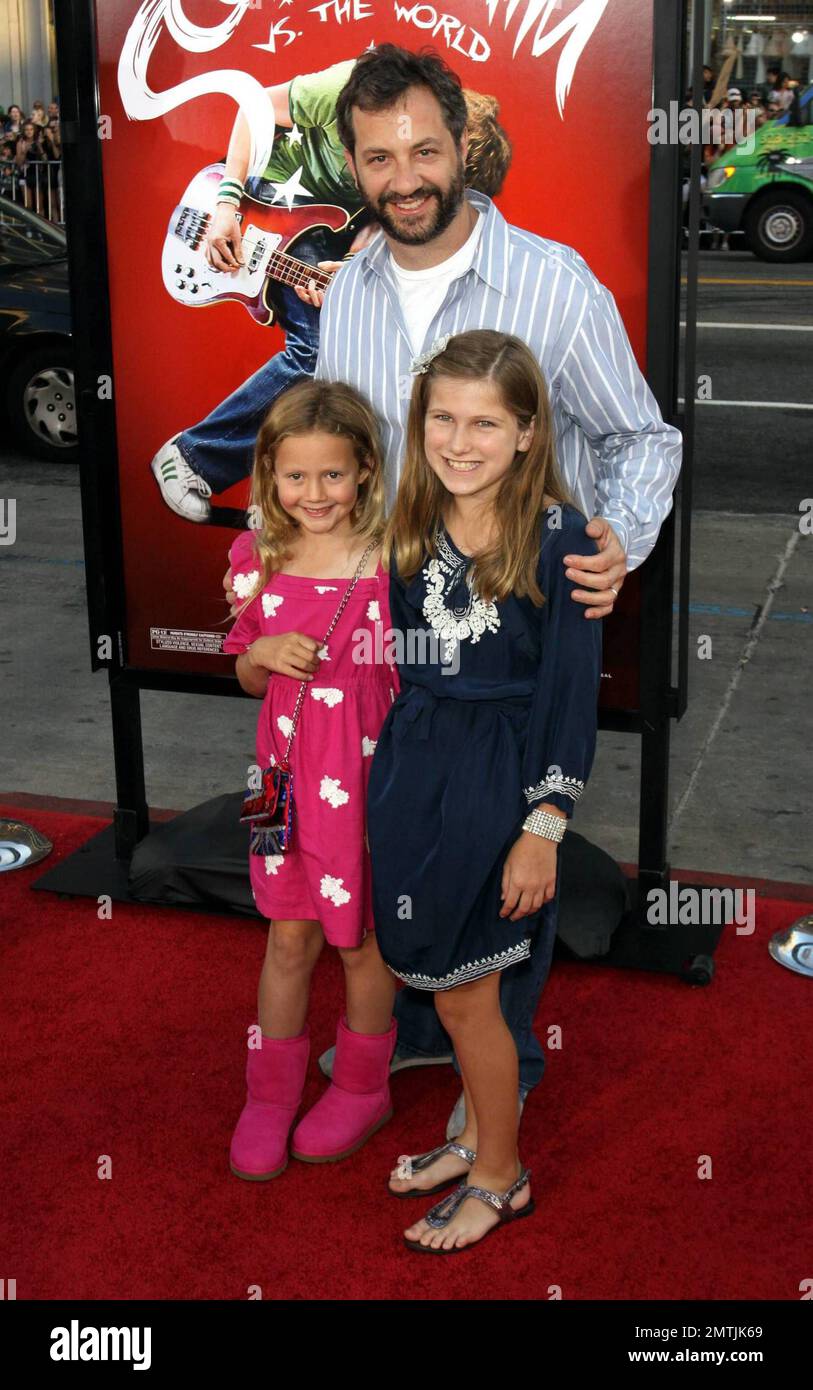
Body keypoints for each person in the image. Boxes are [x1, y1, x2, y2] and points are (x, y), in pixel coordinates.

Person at [250, 43, 680, 1139]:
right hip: (382, 647)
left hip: (512, 633)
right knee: (404, 840)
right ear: (353, 163)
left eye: (426, 150)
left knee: (501, 853)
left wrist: (615, 541)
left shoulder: (554, 282)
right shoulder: (343, 288)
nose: (405, 176)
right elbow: (333, 461)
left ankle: (503, 1075)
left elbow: (640, 436)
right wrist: (277, 564)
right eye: (379, 155)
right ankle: (419, 1039)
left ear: (463, 146)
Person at [366, 328, 602, 1252]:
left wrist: (542, 825)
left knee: (471, 993)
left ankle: (503, 1178)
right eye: (441, 419)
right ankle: (470, 1135)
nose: (459, 441)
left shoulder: (565, 541)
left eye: (486, 423)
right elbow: (404, 655)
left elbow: (570, 699)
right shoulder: (409, 527)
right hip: (414, 767)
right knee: (443, 969)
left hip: (500, 782)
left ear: (528, 433)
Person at [150, 59, 511, 522]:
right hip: (268, 201)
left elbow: (376, 228)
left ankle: (292, 489)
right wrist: (227, 203)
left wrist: (348, 269)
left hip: (329, 226)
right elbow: (253, 109)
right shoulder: (351, 87)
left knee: (363, 347)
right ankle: (191, 456)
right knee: (318, 348)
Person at [221, 377, 401, 1181]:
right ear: (269, 475)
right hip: (273, 782)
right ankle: (268, 1096)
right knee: (284, 933)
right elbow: (245, 670)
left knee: (361, 940)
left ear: (364, 468)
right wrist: (258, 656)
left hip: (363, 783)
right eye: (295, 477)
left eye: (332, 474)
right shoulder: (257, 553)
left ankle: (362, 1088)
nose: (313, 493)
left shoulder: (395, 557)